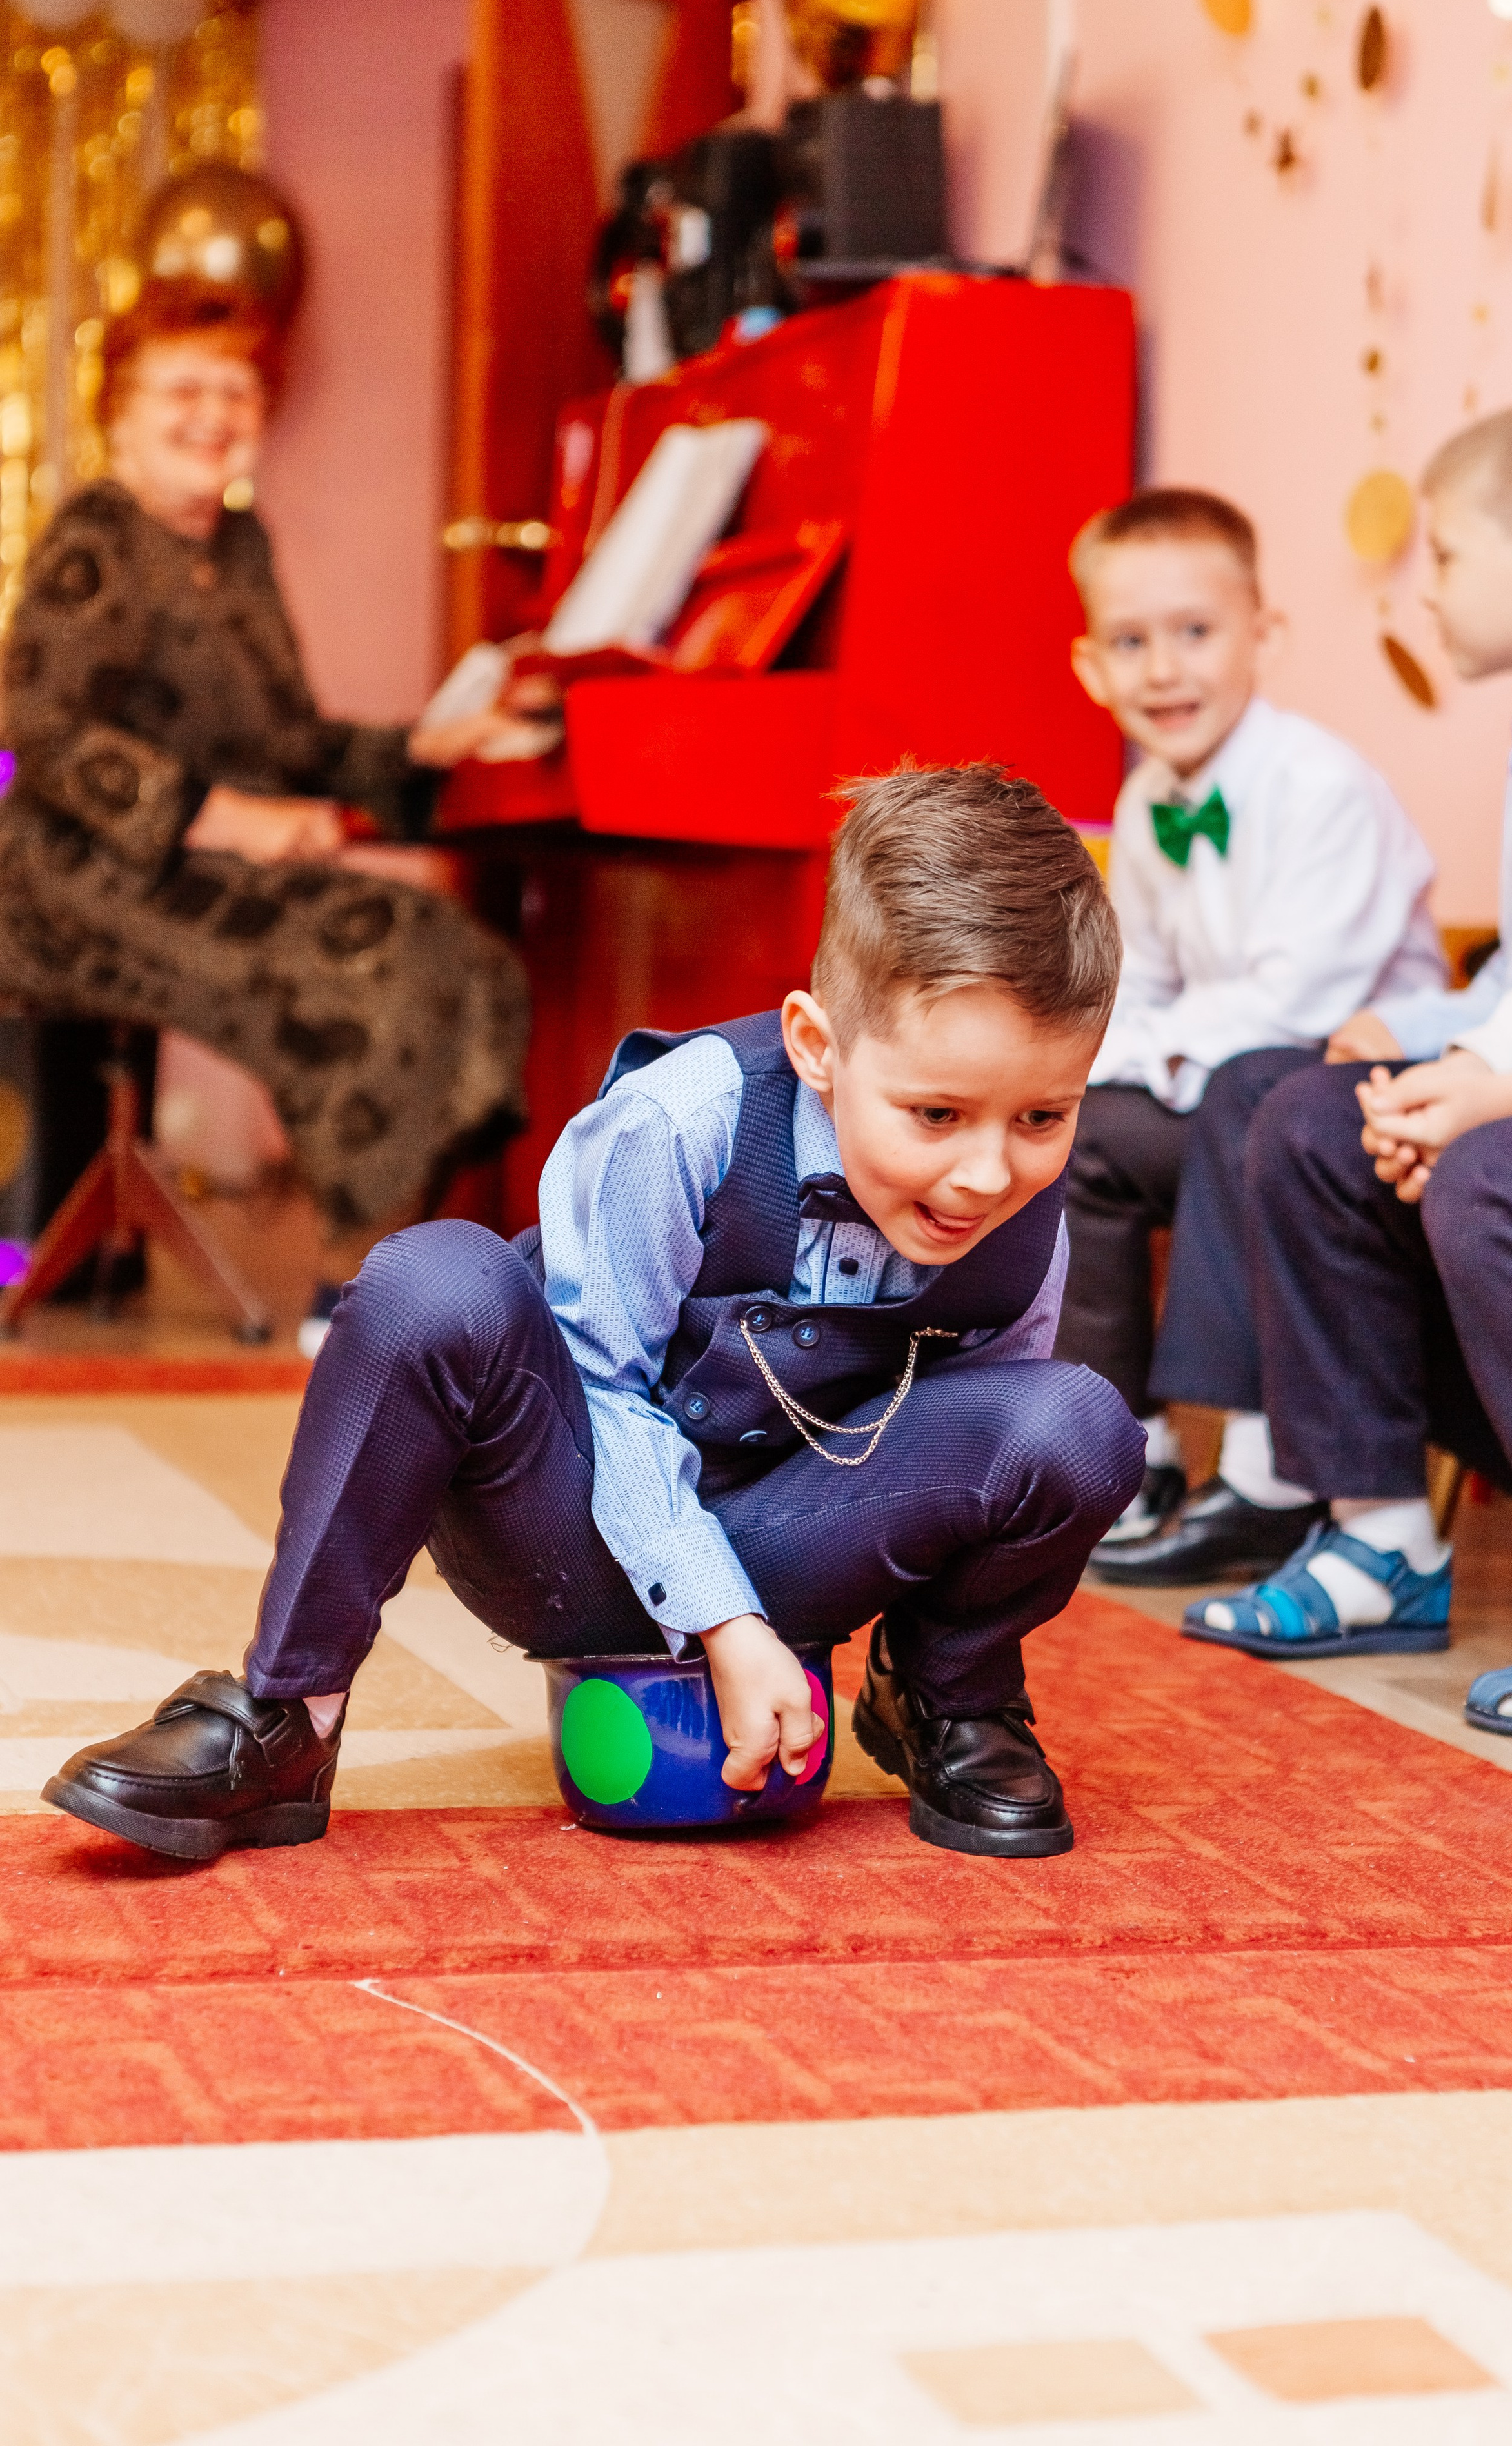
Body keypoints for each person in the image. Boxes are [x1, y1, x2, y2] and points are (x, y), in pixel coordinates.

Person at [41, 765, 1146, 1863]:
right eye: (937, 1114)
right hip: (565, 1532)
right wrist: (721, 1618)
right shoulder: (681, 1120)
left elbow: (979, 1440)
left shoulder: (1021, 1206)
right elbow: (600, 1379)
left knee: (1075, 1423)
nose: (985, 1175)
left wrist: (788, 1611)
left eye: (1042, 1116)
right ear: (817, 1046)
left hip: (800, 1545)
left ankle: (947, 1699)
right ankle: (287, 1715)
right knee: (434, 1281)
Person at [1102, 397, 1512, 1588]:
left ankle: (1277, 1472)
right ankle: (1352, 1521)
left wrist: (1483, 1082)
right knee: (1295, 1108)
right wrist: (1448, 1055)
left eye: (1442, 556)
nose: (1425, 590)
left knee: (1298, 1098)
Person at [0, 279, 534, 1350]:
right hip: (70, 879)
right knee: (373, 960)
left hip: (191, 867)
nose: (215, 414)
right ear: (120, 411)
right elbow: (38, 727)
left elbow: (290, 743)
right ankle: (352, 1300)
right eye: (183, 389)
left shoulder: (240, 547)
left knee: (466, 958)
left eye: (237, 390)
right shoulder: (97, 535)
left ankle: (389, 1262)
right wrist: (226, 818)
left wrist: (423, 746)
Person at [1054, 488, 1442, 1578]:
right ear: (1090, 666)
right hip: (1223, 1089)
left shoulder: (1322, 786)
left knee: (1247, 1090)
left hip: (1356, 1099)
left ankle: (1267, 1471)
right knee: (1078, 1130)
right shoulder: (1148, 803)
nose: (1164, 670)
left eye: (1195, 631)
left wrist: (1135, 1054)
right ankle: (1124, 1450)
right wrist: (1079, 1074)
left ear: (1263, 636)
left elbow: (1293, 1007)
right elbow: (1142, 984)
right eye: (1132, 643)